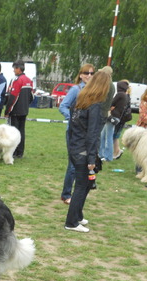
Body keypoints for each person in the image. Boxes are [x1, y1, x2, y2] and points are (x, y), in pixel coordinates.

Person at [64, 70, 111, 233]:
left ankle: (77, 216)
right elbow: (92, 134)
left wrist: (71, 147)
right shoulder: (95, 106)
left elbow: (72, 126)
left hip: (75, 147)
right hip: (83, 150)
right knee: (82, 186)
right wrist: (92, 159)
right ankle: (71, 222)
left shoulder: (80, 100)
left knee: (83, 184)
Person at [58, 63, 95, 204]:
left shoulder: (93, 91)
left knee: (83, 165)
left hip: (87, 134)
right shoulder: (76, 89)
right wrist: (73, 119)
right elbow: (63, 106)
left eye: (92, 73)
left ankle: (77, 193)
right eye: (86, 73)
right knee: (73, 164)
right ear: (80, 75)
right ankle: (66, 194)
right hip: (74, 133)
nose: (89, 76)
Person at [4, 60, 33, 159]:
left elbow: (13, 97)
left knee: (14, 132)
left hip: (15, 111)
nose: (13, 71)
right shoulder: (29, 80)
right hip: (24, 110)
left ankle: (14, 152)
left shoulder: (17, 80)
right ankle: (20, 152)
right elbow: (31, 96)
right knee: (21, 131)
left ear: (18, 69)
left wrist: (7, 111)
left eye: (14, 68)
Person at [97, 65, 116, 162]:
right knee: (102, 135)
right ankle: (101, 154)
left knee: (103, 136)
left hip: (101, 112)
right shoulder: (110, 85)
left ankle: (105, 155)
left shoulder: (107, 85)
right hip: (104, 112)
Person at [110, 80, 131, 159]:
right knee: (116, 136)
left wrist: (113, 107)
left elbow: (111, 103)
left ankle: (115, 152)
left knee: (113, 136)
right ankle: (117, 150)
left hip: (117, 117)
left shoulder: (119, 94)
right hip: (123, 119)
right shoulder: (127, 95)